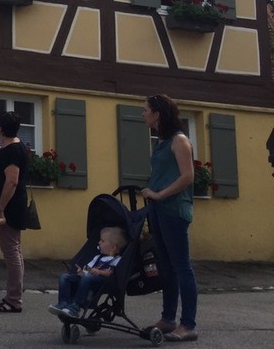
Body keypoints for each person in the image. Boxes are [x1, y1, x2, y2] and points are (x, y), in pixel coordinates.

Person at [141, 93, 198, 342]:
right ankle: (167, 318)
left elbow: (187, 177)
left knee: (181, 266)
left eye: (145, 110)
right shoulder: (161, 141)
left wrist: (160, 194)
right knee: (165, 266)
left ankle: (188, 325)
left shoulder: (179, 140)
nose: (143, 114)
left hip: (174, 210)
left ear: (157, 114)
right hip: (158, 209)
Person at [0, 110, 29, 312]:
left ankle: (13, 299)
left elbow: (11, 181)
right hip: (15, 205)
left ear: (0, 128)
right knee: (15, 250)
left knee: (11, 251)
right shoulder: (16, 147)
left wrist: (1, 208)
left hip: (11, 207)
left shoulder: (12, 151)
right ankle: (15, 296)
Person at [49, 226, 128, 318]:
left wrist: (99, 272)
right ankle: (63, 303)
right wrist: (82, 272)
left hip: (102, 282)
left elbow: (110, 273)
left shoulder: (117, 260)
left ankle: (76, 307)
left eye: (102, 241)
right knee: (64, 277)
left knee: (88, 277)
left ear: (113, 247)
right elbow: (88, 269)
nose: (99, 242)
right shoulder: (97, 257)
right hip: (87, 279)